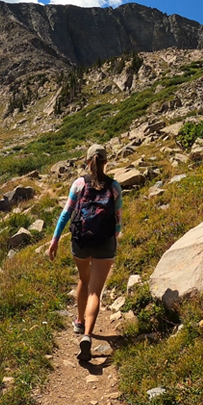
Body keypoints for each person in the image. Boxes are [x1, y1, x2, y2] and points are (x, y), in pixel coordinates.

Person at [47, 144, 123, 362]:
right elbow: (118, 221)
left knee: (83, 279)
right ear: (105, 162)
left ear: (87, 161)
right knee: (95, 292)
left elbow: (65, 214)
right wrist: (113, 241)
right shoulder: (114, 187)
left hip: (81, 242)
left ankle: (79, 322)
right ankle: (88, 335)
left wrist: (55, 240)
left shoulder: (79, 184)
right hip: (104, 244)